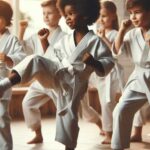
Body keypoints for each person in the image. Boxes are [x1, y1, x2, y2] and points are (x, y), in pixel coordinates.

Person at [0, 0, 115, 149]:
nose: (67, 18)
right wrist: (44, 42)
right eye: (65, 14)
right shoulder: (66, 40)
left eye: (71, 14)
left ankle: (69, 147)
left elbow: (108, 61)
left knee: (69, 118)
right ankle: (5, 84)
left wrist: (93, 62)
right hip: (57, 73)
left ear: (86, 16)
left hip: (74, 84)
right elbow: (52, 56)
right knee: (35, 59)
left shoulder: (95, 41)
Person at [19, 0, 65, 144]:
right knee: (27, 103)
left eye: (49, 13)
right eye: (44, 13)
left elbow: (60, 59)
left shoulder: (64, 37)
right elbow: (23, 49)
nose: (46, 16)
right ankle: (38, 133)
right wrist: (22, 30)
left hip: (56, 81)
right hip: (40, 81)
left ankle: (68, 139)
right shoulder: (37, 34)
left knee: (65, 111)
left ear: (60, 14)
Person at [111, 0, 150, 149]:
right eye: (131, 13)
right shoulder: (133, 33)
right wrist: (121, 30)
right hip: (139, 77)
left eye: (137, 12)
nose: (133, 17)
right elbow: (116, 51)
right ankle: (118, 146)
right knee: (121, 109)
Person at [96, 0, 124, 144]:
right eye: (100, 16)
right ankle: (110, 130)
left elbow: (115, 52)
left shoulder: (114, 33)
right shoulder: (97, 32)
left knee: (107, 103)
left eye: (105, 16)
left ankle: (110, 133)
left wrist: (103, 38)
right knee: (104, 103)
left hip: (112, 73)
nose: (101, 19)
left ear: (113, 16)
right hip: (100, 73)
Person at [0, 1, 26, 150]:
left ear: (7, 20)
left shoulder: (11, 40)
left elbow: (22, 56)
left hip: (3, 81)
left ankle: (6, 147)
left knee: (2, 116)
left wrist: (9, 58)